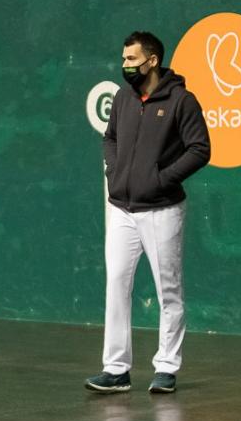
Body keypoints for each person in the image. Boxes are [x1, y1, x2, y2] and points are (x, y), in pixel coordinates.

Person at [86, 31, 210, 396]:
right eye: (123, 59)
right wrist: (114, 170)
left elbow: (200, 149)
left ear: (152, 60)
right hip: (122, 209)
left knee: (167, 290)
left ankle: (167, 367)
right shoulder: (124, 98)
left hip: (163, 209)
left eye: (131, 59)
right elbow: (110, 138)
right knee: (116, 285)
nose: (125, 66)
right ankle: (116, 369)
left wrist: (160, 179)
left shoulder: (181, 101)